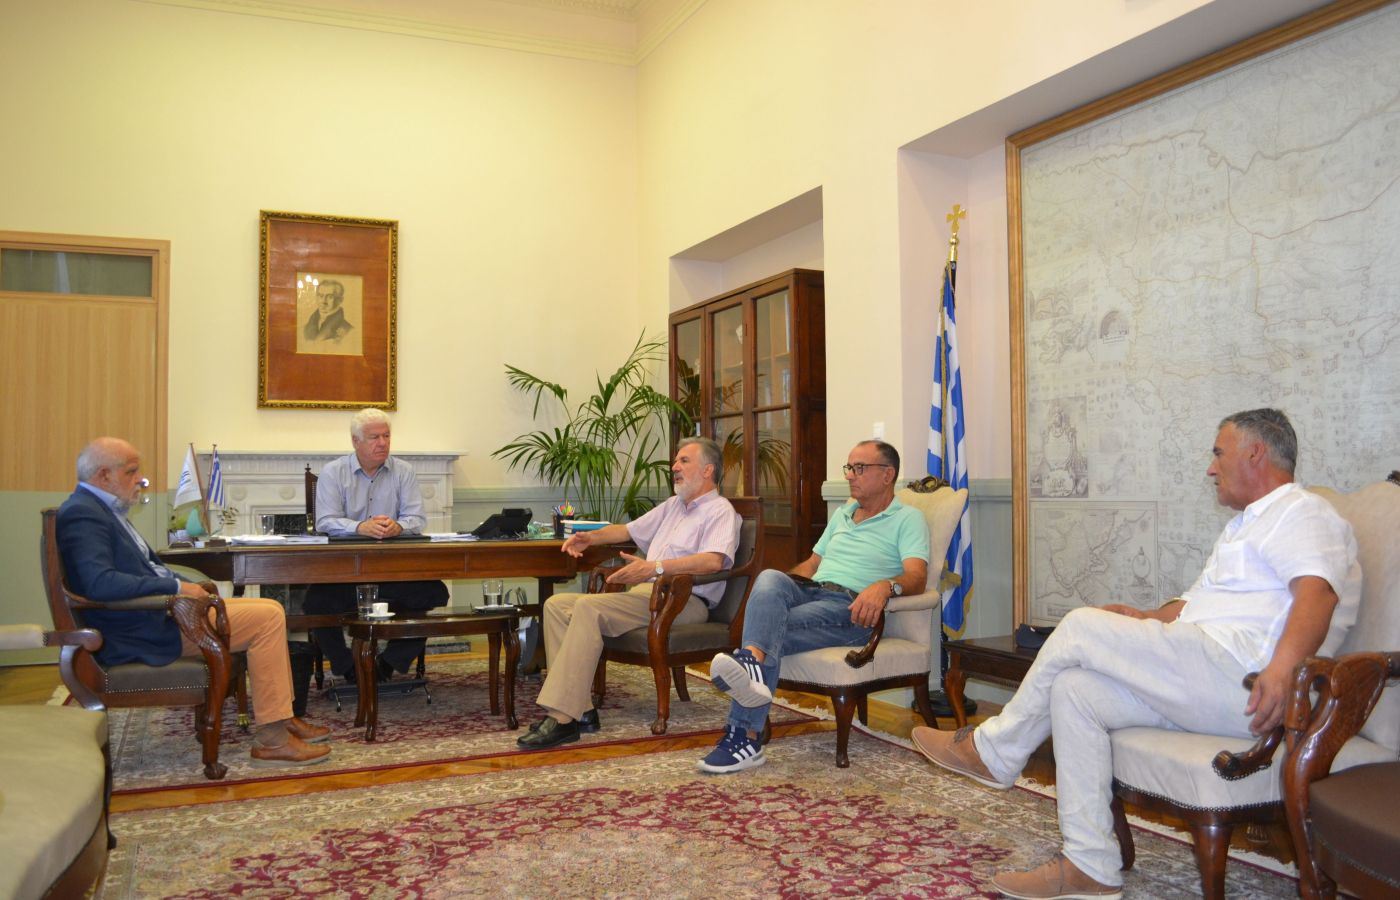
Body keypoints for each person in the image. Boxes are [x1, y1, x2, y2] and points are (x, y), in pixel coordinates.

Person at [912, 408, 1360, 900]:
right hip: (1203, 677)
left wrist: (1282, 670)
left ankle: (995, 752)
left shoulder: (1302, 512)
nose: (1211, 467)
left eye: (1218, 453)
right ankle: (1089, 865)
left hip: (1249, 683)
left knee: (1080, 625)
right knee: (1075, 690)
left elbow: (1317, 594)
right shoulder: (1244, 526)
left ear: (1256, 453)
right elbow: (1193, 606)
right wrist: (1144, 617)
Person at [56, 437, 331, 766]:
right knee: (268, 618)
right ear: (103, 475)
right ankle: (272, 739)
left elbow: (147, 569)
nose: (141, 480)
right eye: (131, 472)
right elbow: (99, 583)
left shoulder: (102, 510)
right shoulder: (83, 514)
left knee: (271, 609)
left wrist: (187, 587)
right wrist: (176, 587)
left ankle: (281, 717)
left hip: (161, 615)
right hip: (141, 629)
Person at [701, 439, 930, 773]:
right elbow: (811, 565)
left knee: (764, 632)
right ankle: (751, 665)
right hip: (811, 590)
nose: (850, 475)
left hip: (850, 608)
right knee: (770, 578)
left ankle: (743, 734)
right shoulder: (842, 514)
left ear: (887, 475)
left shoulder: (908, 518)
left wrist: (885, 586)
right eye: (849, 467)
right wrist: (777, 594)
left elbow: (917, 577)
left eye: (859, 468)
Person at [517, 438, 740, 749]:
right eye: (675, 461)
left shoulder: (720, 511)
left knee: (588, 608)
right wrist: (589, 538)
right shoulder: (673, 507)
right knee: (556, 605)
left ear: (708, 470)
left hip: (683, 601)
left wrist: (654, 568)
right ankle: (582, 710)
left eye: (684, 461)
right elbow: (626, 530)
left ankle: (562, 718)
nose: (674, 467)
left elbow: (714, 561)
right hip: (648, 596)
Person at [303, 408, 448, 682]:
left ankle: (388, 664)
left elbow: (417, 518)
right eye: (374, 437)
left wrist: (399, 526)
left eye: (386, 436)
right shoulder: (334, 472)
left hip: (393, 570)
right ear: (355, 441)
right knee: (315, 602)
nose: (382, 443)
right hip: (345, 573)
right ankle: (347, 668)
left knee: (433, 592)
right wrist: (359, 527)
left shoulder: (404, 471)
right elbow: (325, 521)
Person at [302, 279, 354, 344]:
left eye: (330, 297)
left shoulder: (348, 331)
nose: (323, 301)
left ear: (340, 300)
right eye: (321, 296)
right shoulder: (305, 327)